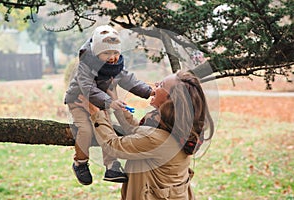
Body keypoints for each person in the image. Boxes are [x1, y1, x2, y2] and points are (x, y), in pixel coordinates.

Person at [75, 70, 214, 199]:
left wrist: (96, 113)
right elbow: (138, 132)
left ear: (171, 99)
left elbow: (113, 146)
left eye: (161, 85)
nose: (155, 86)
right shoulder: (176, 127)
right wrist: (115, 101)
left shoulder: (158, 139)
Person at [64, 25, 153, 185]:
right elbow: (88, 88)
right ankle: (80, 163)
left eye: (115, 52)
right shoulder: (86, 65)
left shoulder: (116, 66)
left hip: (103, 101)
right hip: (79, 101)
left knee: (106, 128)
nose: (112, 57)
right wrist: (110, 102)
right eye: (106, 53)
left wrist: (149, 91)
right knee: (85, 129)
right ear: (97, 52)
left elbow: (129, 80)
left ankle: (111, 166)